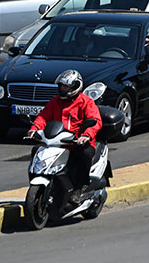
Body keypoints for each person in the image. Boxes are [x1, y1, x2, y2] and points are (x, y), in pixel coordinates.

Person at [26, 70, 102, 205]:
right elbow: (43, 117)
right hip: (58, 143)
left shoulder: (86, 102)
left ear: (75, 86)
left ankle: (80, 188)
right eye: (61, 86)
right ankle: (40, 186)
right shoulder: (55, 101)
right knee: (36, 150)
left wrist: (86, 135)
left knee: (85, 154)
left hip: (78, 143)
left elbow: (95, 121)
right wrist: (34, 129)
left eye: (66, 86)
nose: (62, 89)